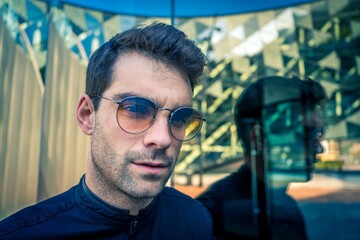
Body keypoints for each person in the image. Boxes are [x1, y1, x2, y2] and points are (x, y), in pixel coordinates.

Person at [0, 22, 213, 239]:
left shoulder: (195, 221)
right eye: (136, 109)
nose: (162, 139)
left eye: (179, 118)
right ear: (87, 115)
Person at [197, 76, 326, 240]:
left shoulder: (285, 207)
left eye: (320, 134)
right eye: (307, 133)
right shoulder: (213, 216)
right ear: (258, 139)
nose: (320, 148)